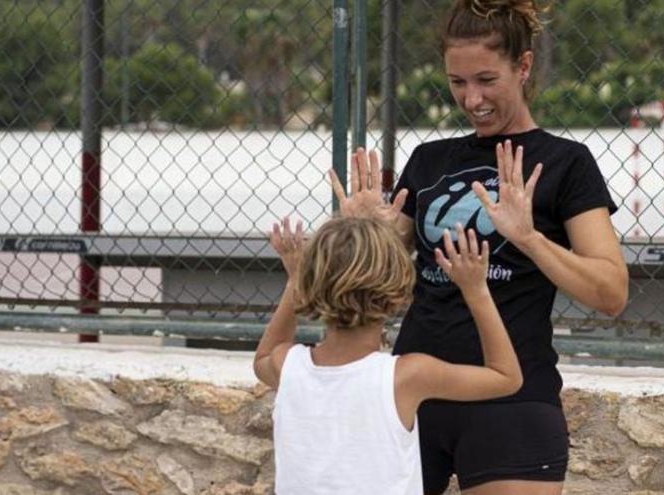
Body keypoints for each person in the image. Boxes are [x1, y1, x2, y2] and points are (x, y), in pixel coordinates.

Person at [328, 1, 629, 493]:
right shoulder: (430, 160)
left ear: (524, 67)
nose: (472, 99)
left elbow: (611, 292)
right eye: (457, 83)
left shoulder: (565, 163)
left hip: (511, 398)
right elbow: (374, 282)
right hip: (409, 396)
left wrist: (529, 238)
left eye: (487, 80)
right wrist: (364, 232)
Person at [253, 216, 523, 495]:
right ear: (399, 295)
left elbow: (262, 359)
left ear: (309, 286)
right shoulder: (407, 375)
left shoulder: (287, 364)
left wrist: (295, 278)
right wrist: (476, 290)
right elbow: (507, 377)